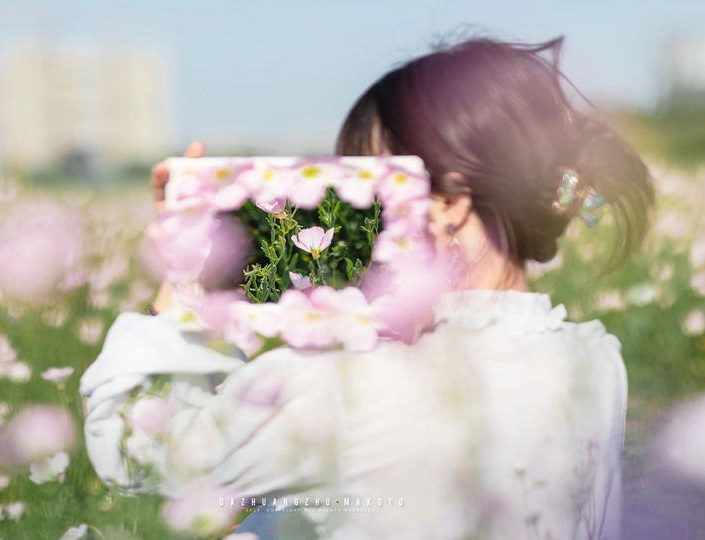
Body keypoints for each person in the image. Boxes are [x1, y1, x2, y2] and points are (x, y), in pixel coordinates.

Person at [80, 34, 654, 540]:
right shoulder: (594, 362)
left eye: (366, 187)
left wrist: (187, 285)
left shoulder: (343, 388)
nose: (352, 217)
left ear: (448, 204)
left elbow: (136, 455)